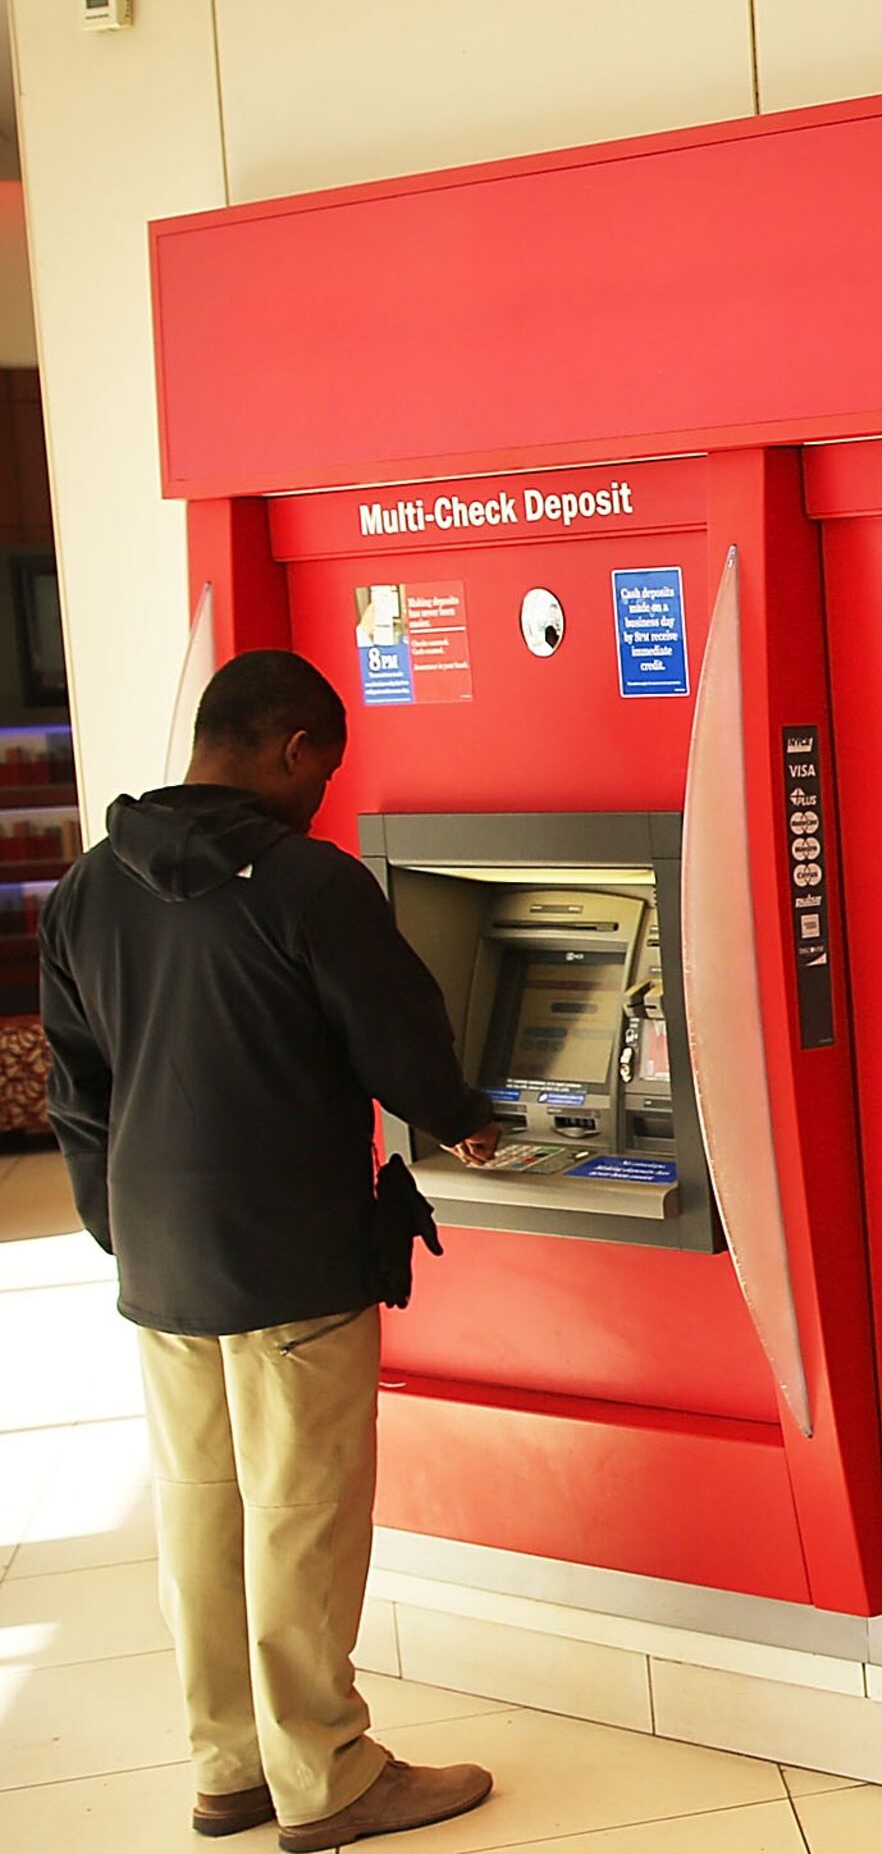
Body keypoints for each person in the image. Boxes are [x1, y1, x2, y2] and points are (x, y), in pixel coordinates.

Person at [43, 652, 501, 1850]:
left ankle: (231, 1765)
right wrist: (465, 1116)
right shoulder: (307, 883)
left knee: (201, 1511)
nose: (325, 794)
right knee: (302, 1511)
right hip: (292, 1254)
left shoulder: (88, 889)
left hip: (162, 1261)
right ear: (294, 746)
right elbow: (397, 1040)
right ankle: (330, 1772)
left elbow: (75, 1092)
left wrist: (120, 1224)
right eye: (327, 769)